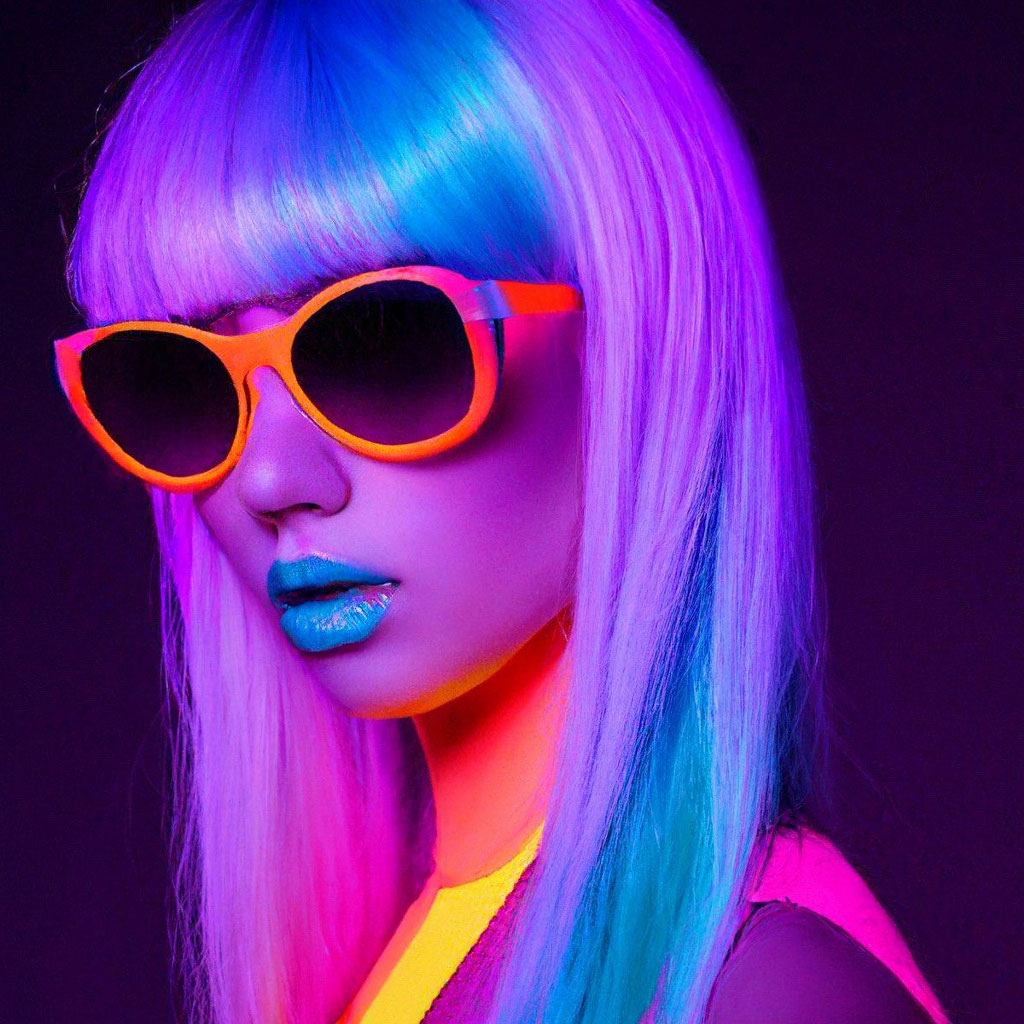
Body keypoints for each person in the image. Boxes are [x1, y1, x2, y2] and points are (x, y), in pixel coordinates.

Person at [52, 1, 952, 1022]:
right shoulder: (411, 954)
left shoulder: (762, 989)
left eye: (382, 342)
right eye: (178, 380)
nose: (268, 480)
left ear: (634, 345)